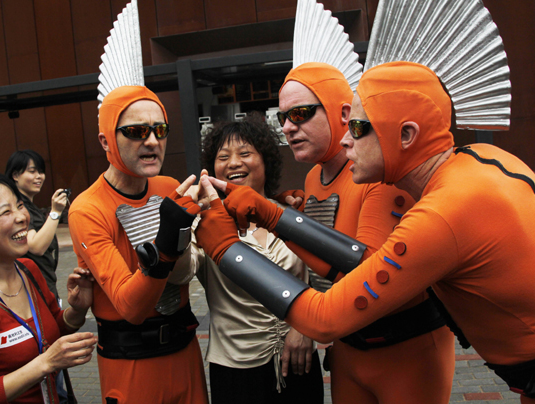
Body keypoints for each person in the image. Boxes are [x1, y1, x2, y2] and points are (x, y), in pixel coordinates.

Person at [196, 61, 535, 403]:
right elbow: (357, 263)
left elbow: (326, 316)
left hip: (407, 350)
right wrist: (273, 216)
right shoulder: (485, 158)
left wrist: (227, 249)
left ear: (406, 134)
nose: (346, 138)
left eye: (358, 127)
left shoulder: (443, 211)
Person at [273, 62, 454, 403]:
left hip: (405, 351)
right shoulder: (314, 177)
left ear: (342, 112)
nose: (287, 127)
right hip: (349, 348)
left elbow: (365, 273)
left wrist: (276, 221)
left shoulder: (378, 172)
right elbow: (327, 259)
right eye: (280, 117)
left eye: (299, 113)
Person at [68, 85, 208, 404]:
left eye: (160, 129)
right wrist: (167, 247)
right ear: (106, 141)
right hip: (131, 367)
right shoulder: (87, 209)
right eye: (136, 131)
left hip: (185, 351)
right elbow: (131, 308)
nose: (152, 141)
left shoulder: (168, 187)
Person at [182, 118, 323, 403]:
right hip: (237, 371)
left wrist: (304, 327)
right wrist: (177, 230)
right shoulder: (205, 224)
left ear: (265, 161)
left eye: (245, 153)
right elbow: (180, 274)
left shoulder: (290, 213)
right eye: (223, 157)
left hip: (300, 359)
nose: (234, 163)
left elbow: (319, 278)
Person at [0, 171, 96, 404]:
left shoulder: (28, 269)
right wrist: (46, 363)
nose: (22, 217)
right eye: (6, 212)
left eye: (19, 205)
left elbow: (51, 332)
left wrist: (78, 310)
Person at [5, 150, 68, 300]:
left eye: (41, 172)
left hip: (42, 282)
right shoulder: (20, 207)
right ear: (15, 176)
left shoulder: (28, 206)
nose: (39, 177)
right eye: (32, 172)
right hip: (36, 288)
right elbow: (35, 247)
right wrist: (55, 212)